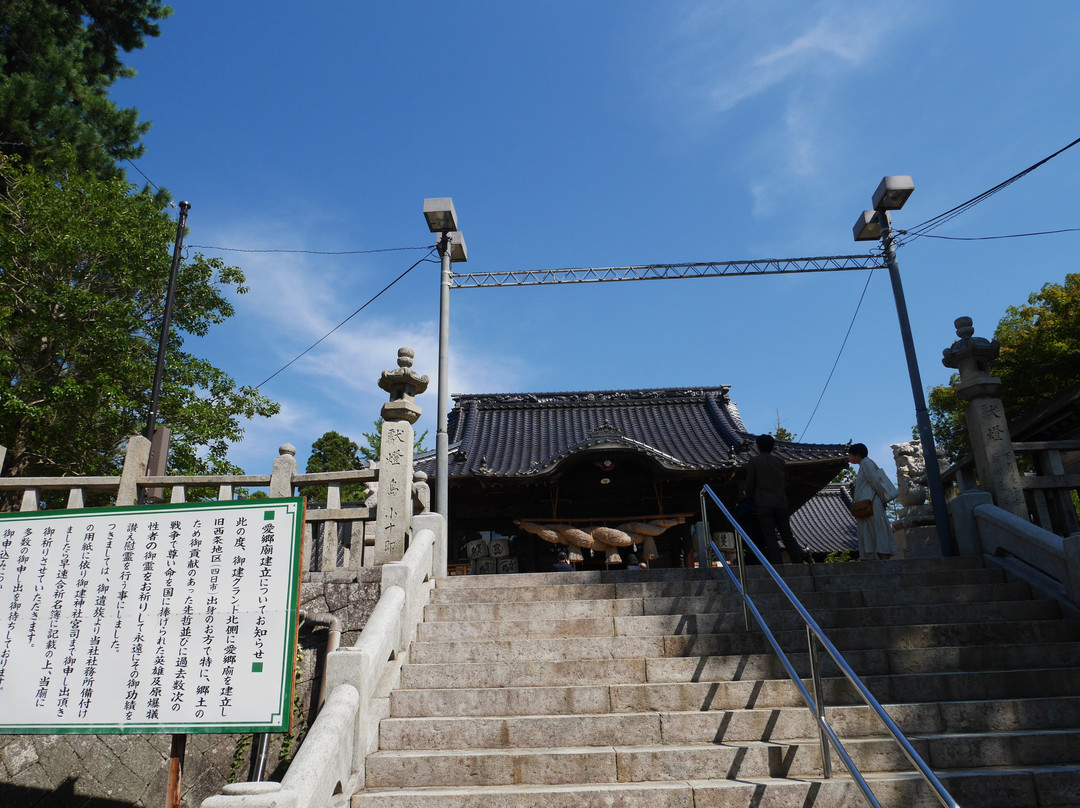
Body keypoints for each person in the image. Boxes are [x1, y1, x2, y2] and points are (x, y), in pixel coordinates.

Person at [744, 433, 805, 564]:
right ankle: (798, 561)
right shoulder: (780, 461)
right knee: (787, 534)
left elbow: (750, 483)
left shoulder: (754, 462)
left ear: (758, 446)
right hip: (781, 502)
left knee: (770, 535)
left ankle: (777, 563)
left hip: (764, 502)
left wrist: (748, 495)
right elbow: (786, 482)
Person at [847, 443, 899, 560]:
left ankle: (883, 556)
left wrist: (882, 499)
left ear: (857, 455)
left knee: (876, 529)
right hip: (869, 503)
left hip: (872, 503)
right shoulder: (864, 464)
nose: (849, 458)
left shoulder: (866, 463)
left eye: (850, 455)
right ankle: (877, 556)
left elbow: (875, 482)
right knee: (873, 530)